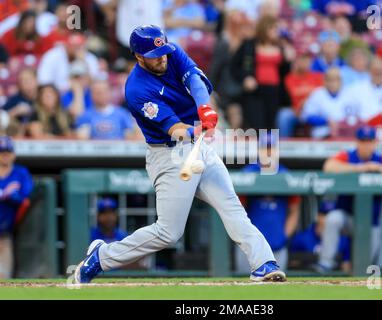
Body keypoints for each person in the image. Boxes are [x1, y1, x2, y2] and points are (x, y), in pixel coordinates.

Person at [74, 25, 285, 283]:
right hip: (168, 154)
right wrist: (199, 130)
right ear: (139, 57)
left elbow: (195, 80)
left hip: (199, 148)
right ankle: (101, 257)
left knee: (232, 206)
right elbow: (174, 130)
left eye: (162, 50)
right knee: (168, 233)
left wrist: (204, 108)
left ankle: (263, 263)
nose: (161, 57)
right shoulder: (137, 89)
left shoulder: (170, 53)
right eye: (154, 54)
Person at [317, 126, 382, 271]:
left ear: (375, 143)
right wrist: (359, 168)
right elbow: (329, 166)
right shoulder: (349, 156)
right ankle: (325, 263)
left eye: (370, 141)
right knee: (333, 218)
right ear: (358, 142)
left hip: (370, 223)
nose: (366, 145)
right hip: (347, 217)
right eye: (363, 141)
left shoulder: (380, 159)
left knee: (365, 267)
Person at [235, 134, 301, 272]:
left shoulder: (286, 175)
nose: (269, 152)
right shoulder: (248, 173)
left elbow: (294, 211)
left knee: (276, 288)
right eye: (265, 148)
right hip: (249, 248)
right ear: (259, 151)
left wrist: (284, 236)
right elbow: (236, 210)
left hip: (277, 246)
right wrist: (243, 237)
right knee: (243, 288)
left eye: (272, 149)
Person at [230, 15, 291, 130]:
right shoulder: (249, 45)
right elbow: (234, 66)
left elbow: (285, 73)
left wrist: (288, 61)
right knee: (257, 125)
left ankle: (269, 148)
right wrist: (245, 78)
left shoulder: (281, 47)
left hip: (274, 92)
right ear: (264, 29)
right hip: (255, 92)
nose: (276, 32)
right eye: (273, 28)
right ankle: (257, 148)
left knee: (271, 126)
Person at [0, 136, 33, 279]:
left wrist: (9, 195)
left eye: (8, 152)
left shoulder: (20, 172)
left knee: (3, 277)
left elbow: (25, 197)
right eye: (2, 152)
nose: (5, 155)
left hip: (8, 230)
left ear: (13, 154)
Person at [290, 201, 351, 273]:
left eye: (330, 215)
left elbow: (346, 266)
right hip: (308, 279)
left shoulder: (343, 240)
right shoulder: (301, 238)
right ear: (318, 216)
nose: (328, 219)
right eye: (324, 215)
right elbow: (292, 265)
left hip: (333, 279)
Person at [340, 56, 382, 122]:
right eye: (376, 71)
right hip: (365, 128)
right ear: (369, 71)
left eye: (381, 71)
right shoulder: (356, 89)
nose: (379, 74)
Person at [276, 51, 324, 137]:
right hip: (297, 112)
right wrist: (296, 108)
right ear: (296, 62)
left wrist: (307, 102)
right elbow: (286, 99)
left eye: (307, 61)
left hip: (314, 112)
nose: (304, 64)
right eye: (302, 60)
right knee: (284, 115)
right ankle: (284, 144)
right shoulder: (289, 78)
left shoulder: (318, 77)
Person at [300, 67, 347, 139]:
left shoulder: (348, 94)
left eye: (336, 80)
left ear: (341, 81)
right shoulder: (317, 94)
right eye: (330, 80)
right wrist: (326, 121)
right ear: (325, 81)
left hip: (345, 134)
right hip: (322, 134)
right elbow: (307, 117)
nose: (333, 83)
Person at [2, 68, 38, 135]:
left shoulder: (43, 95)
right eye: (21, 81)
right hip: (19, 133)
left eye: (27, 80)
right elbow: (2, 117)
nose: (24, 83)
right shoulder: (15, 99)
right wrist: (14, 112)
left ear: (36, 80)